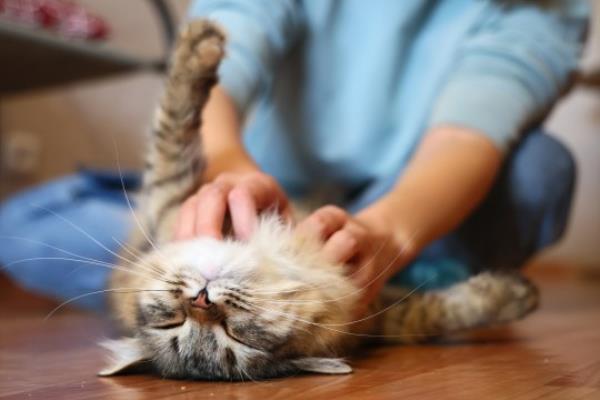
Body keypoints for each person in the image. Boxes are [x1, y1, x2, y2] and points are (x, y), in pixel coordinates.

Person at [0, 0, 588, 312]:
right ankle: (378, 298)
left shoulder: (548, 7)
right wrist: (229, 162)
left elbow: (465, 137)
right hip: (270, 197)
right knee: (18, 224)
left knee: (541, 173)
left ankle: (379, 278)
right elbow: (225, 48)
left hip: (407, 198)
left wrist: (387, 230)